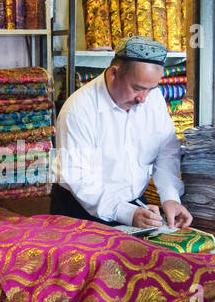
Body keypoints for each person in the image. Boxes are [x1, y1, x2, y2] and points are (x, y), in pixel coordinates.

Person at [53, 36, 192, 229]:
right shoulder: (78, 110)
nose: (143, 99)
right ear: (114, 74)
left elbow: (166, 151)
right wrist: (126, 213)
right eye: (137, 88)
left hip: (134, 205)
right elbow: (78, 177)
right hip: (80, 211)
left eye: (151, 89)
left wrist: (170, 197)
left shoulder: (153, 100)